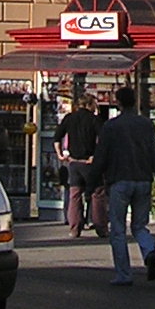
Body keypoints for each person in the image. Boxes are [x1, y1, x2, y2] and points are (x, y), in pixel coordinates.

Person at [94, 85, 155, 285]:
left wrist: (92, 184)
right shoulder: (146, 125)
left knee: (118, 229)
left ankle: (124, 274)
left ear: (118, 103)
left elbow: (101, 157)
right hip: (143, 180)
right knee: (139, 225)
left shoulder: (111, 127)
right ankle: (149, 250)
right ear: (134, 102)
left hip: (119, 180)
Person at [53, 95, 101, 239]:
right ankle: (101, 227)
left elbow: (57, 137)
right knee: (97, 193)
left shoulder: (69, 118)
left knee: (75, 195)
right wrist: (96, 156)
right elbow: (103, 139)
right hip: (89, 162)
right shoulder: (94, 119)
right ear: (89, 105)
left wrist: (60, 155)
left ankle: (74, 228)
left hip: (73, 162)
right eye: (94, 104)